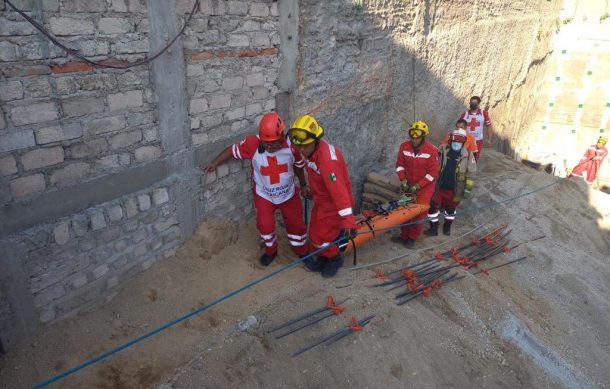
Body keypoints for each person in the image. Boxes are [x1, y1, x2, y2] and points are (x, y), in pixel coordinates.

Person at [201, 112, 309, 266]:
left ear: (282, 135)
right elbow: (232, 150)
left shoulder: (293, 146)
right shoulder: (252, 144)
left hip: (288, 195)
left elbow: (299, 167)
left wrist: (304, 185)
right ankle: (271, 250)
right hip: (264, 195)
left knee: (297, 225)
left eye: (274, 143)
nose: (270, 147)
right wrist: (215, 162)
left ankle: (302, 251)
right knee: (265, 226)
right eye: (267, 143)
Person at [288, 114, 357, 278]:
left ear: (315, 139)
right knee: (314, 233)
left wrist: (348, 221)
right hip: (321, 201)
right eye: (299, 146)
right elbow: (317, 177)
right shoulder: (311, 151)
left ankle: (334, 259)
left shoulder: (327, 162)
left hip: (334, 205)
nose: (301, 150)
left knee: (320, 237)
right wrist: (309, 189)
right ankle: (326, 256)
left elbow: (339, 193)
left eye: (304, 146)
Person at [391, 120, 439, 248]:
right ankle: (403, 236)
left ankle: (412, 237)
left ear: (423, 137)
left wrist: (419, 185)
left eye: (417, 138)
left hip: (425, 187)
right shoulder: (404, 146)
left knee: (419, 212)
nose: (414, 140)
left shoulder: (432, 150)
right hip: (408, 184)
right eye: (412, 137)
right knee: (405, 210)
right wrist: (403, 180)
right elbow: (399, 165)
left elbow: (432, 174)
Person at [424, 125, 477, 236]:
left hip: (456, 189)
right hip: (440, 187)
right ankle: (433, 228)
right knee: (433, 207)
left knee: (450, 210)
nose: (456, 143)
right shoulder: (442, 150)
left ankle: (447, 227)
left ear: (463, 143)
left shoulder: (468, 155)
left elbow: (471, 174)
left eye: (459, 141)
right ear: (450, 140)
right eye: (454, 141)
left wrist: (467, 189)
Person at [459, 96, 492, 162]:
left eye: (475, 103)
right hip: (466, 140)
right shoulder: (464, 114)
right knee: (464, 157)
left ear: (478, 104)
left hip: (478, 140)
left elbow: (489, 126)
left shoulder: (483, 113)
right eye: (471, 103)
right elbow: (459, 126)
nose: (473, 104)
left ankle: (472, 171)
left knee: (474, 158)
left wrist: (489, 139)